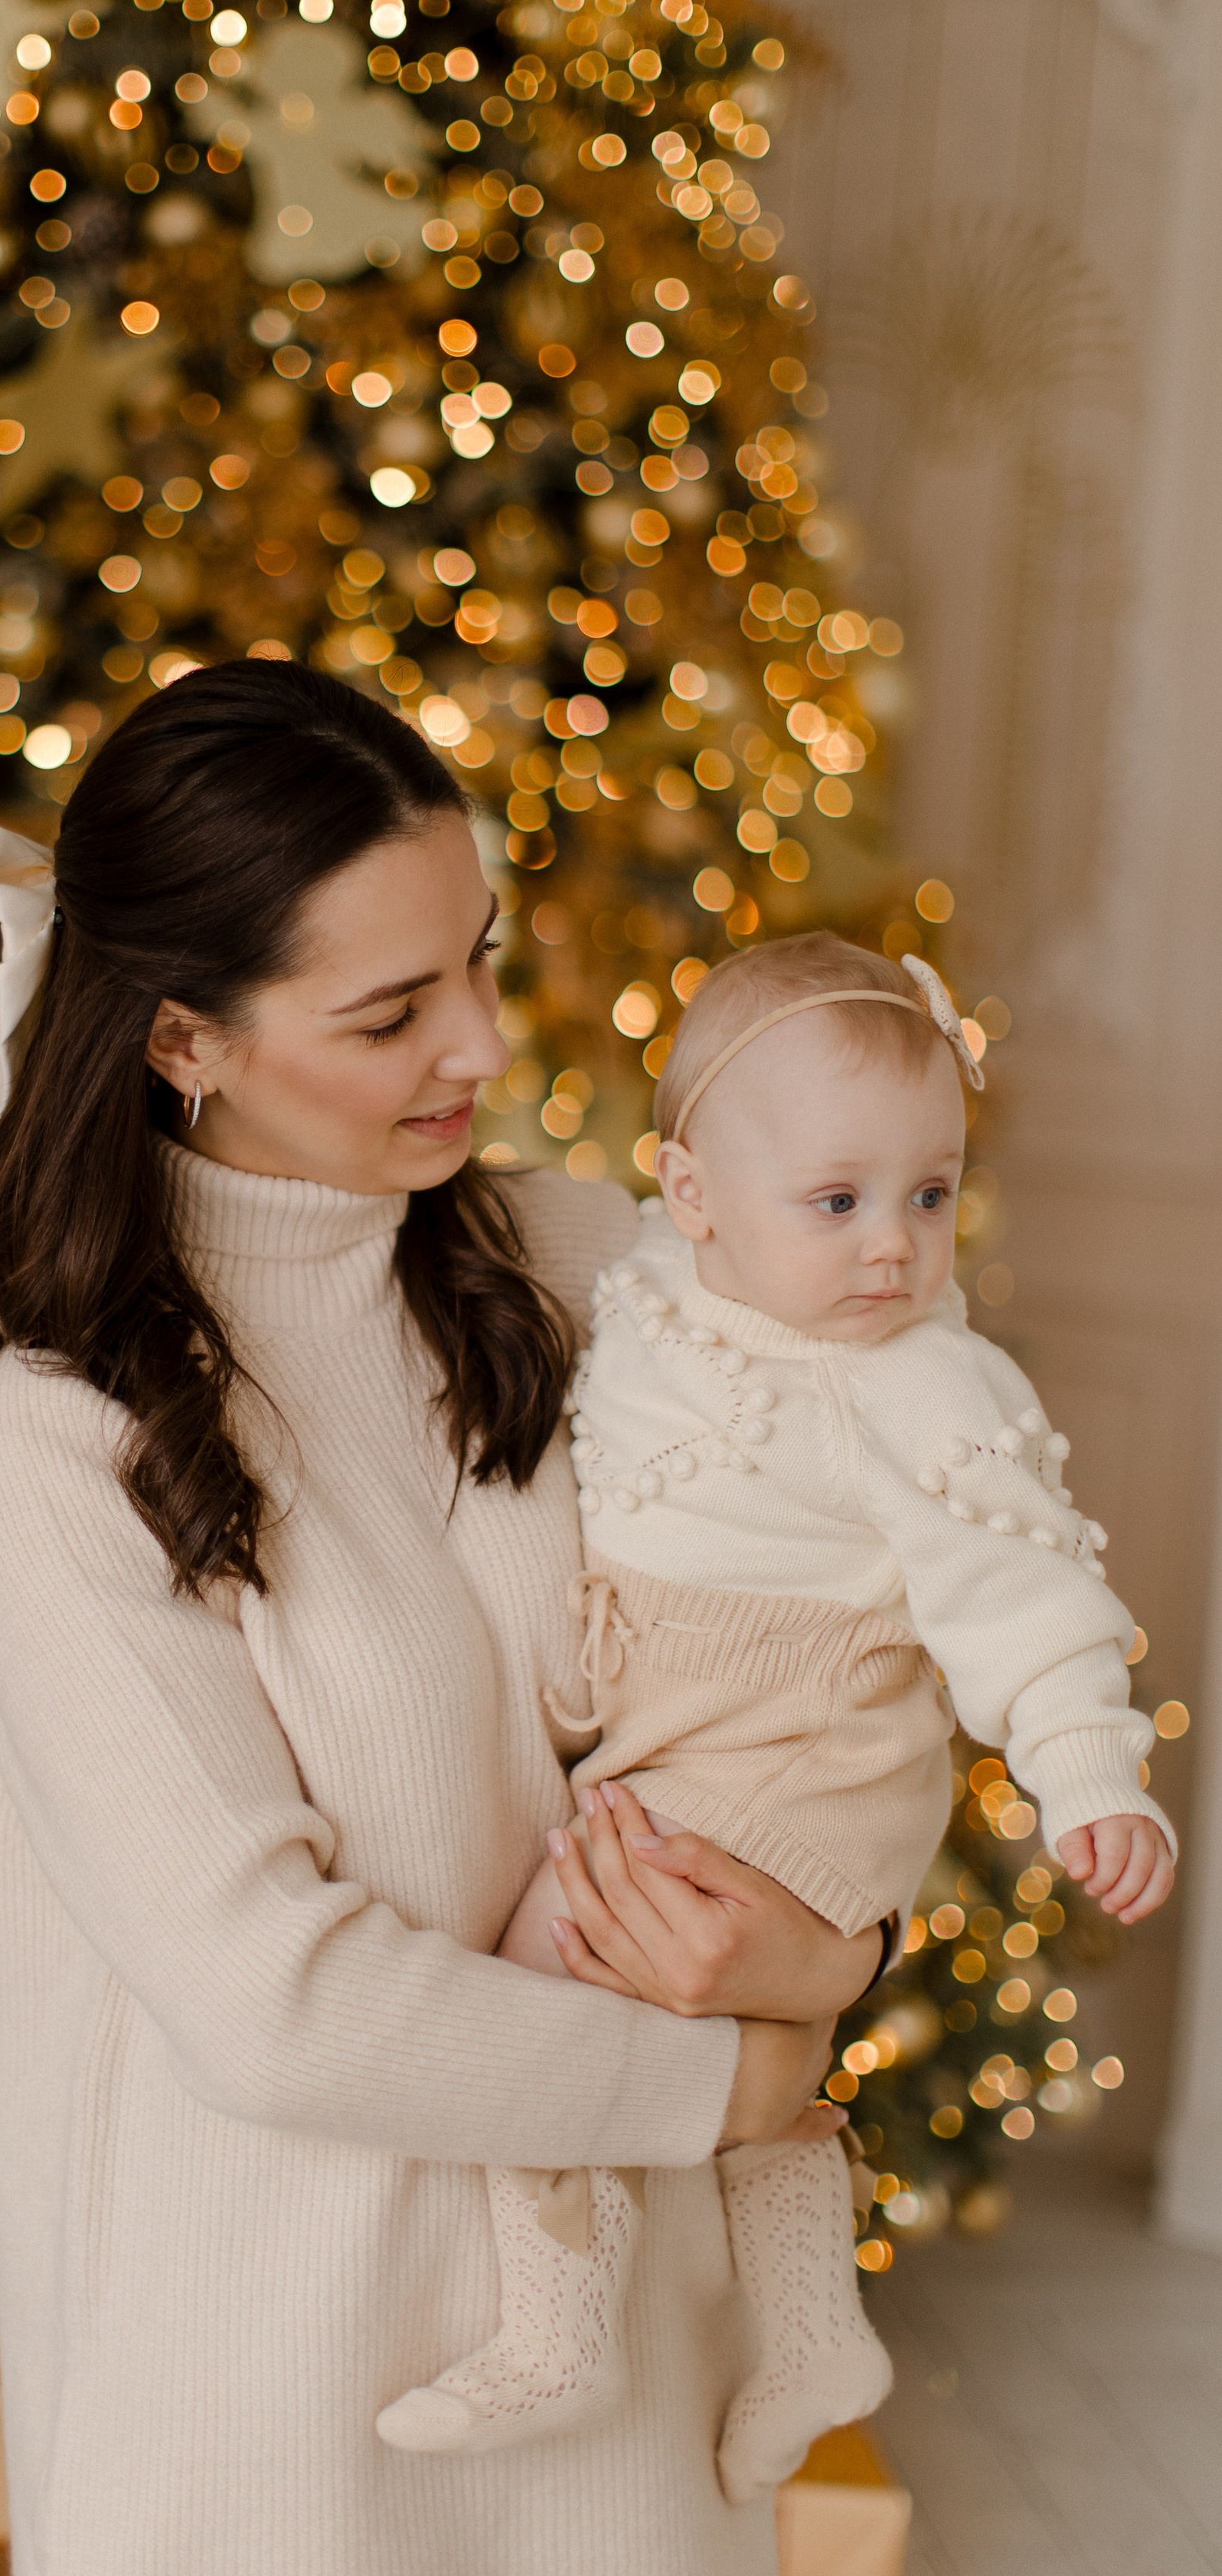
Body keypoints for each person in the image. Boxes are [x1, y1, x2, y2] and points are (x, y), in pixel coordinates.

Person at [0, 663, 887, 2576]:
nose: (476, 1039)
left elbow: (815, 1676)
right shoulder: (54, 1434)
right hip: (272, 2424)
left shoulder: (607, 1271)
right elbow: (262, 1993)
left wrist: (827, 1946)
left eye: (476, 957)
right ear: (184, 1040)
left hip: (630, 2393)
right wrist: (733, 2081)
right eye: (386, 1012)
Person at [378, 933, 1175, 2494]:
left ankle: (557, 2320)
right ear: (691, 1199)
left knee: (542, 1980)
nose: (891, 1248)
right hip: (682, 1724)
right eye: (836, 1201)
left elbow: (1022, 1592)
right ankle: (810, 2331)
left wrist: (1089, 1774)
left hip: (799, 1740)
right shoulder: (641, 1287)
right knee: (748, 2038)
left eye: (928, 1195)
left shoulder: (919, 1387)